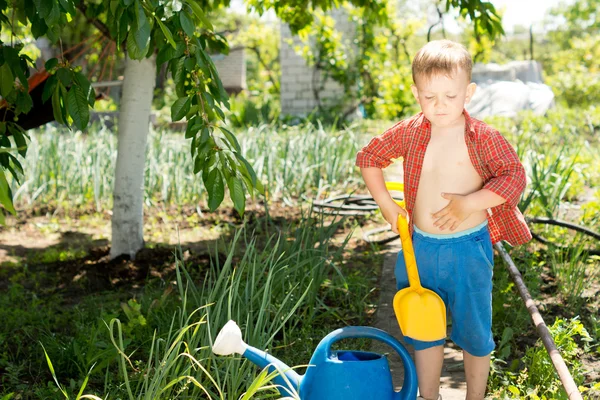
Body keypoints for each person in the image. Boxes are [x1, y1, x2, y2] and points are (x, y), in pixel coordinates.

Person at [355, 40, 532, 400]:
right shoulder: (410, 131)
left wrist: (470, 202)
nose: (439, 106)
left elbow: (513, 175)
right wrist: (388, 205)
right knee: (424, 326)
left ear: (468, 92)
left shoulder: (482, 136)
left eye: (450, 96)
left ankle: (475, 395)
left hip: (468, 249)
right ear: (416, 93)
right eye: (429, 96)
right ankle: (429, 395)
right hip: (419, 248)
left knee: (474, 330)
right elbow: (370, 157)